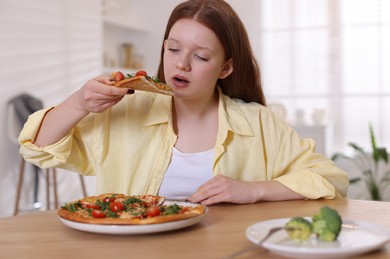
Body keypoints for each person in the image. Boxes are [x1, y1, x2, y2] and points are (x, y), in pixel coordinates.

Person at [19, 0, 348, 205]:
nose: (181, 64)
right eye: (173, 49)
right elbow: (36, 147)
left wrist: (253, 190)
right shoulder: (126, 110)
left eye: (201, 56)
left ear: (226, 67)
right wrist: (80, 102)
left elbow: (330, 180)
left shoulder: (259, 122)